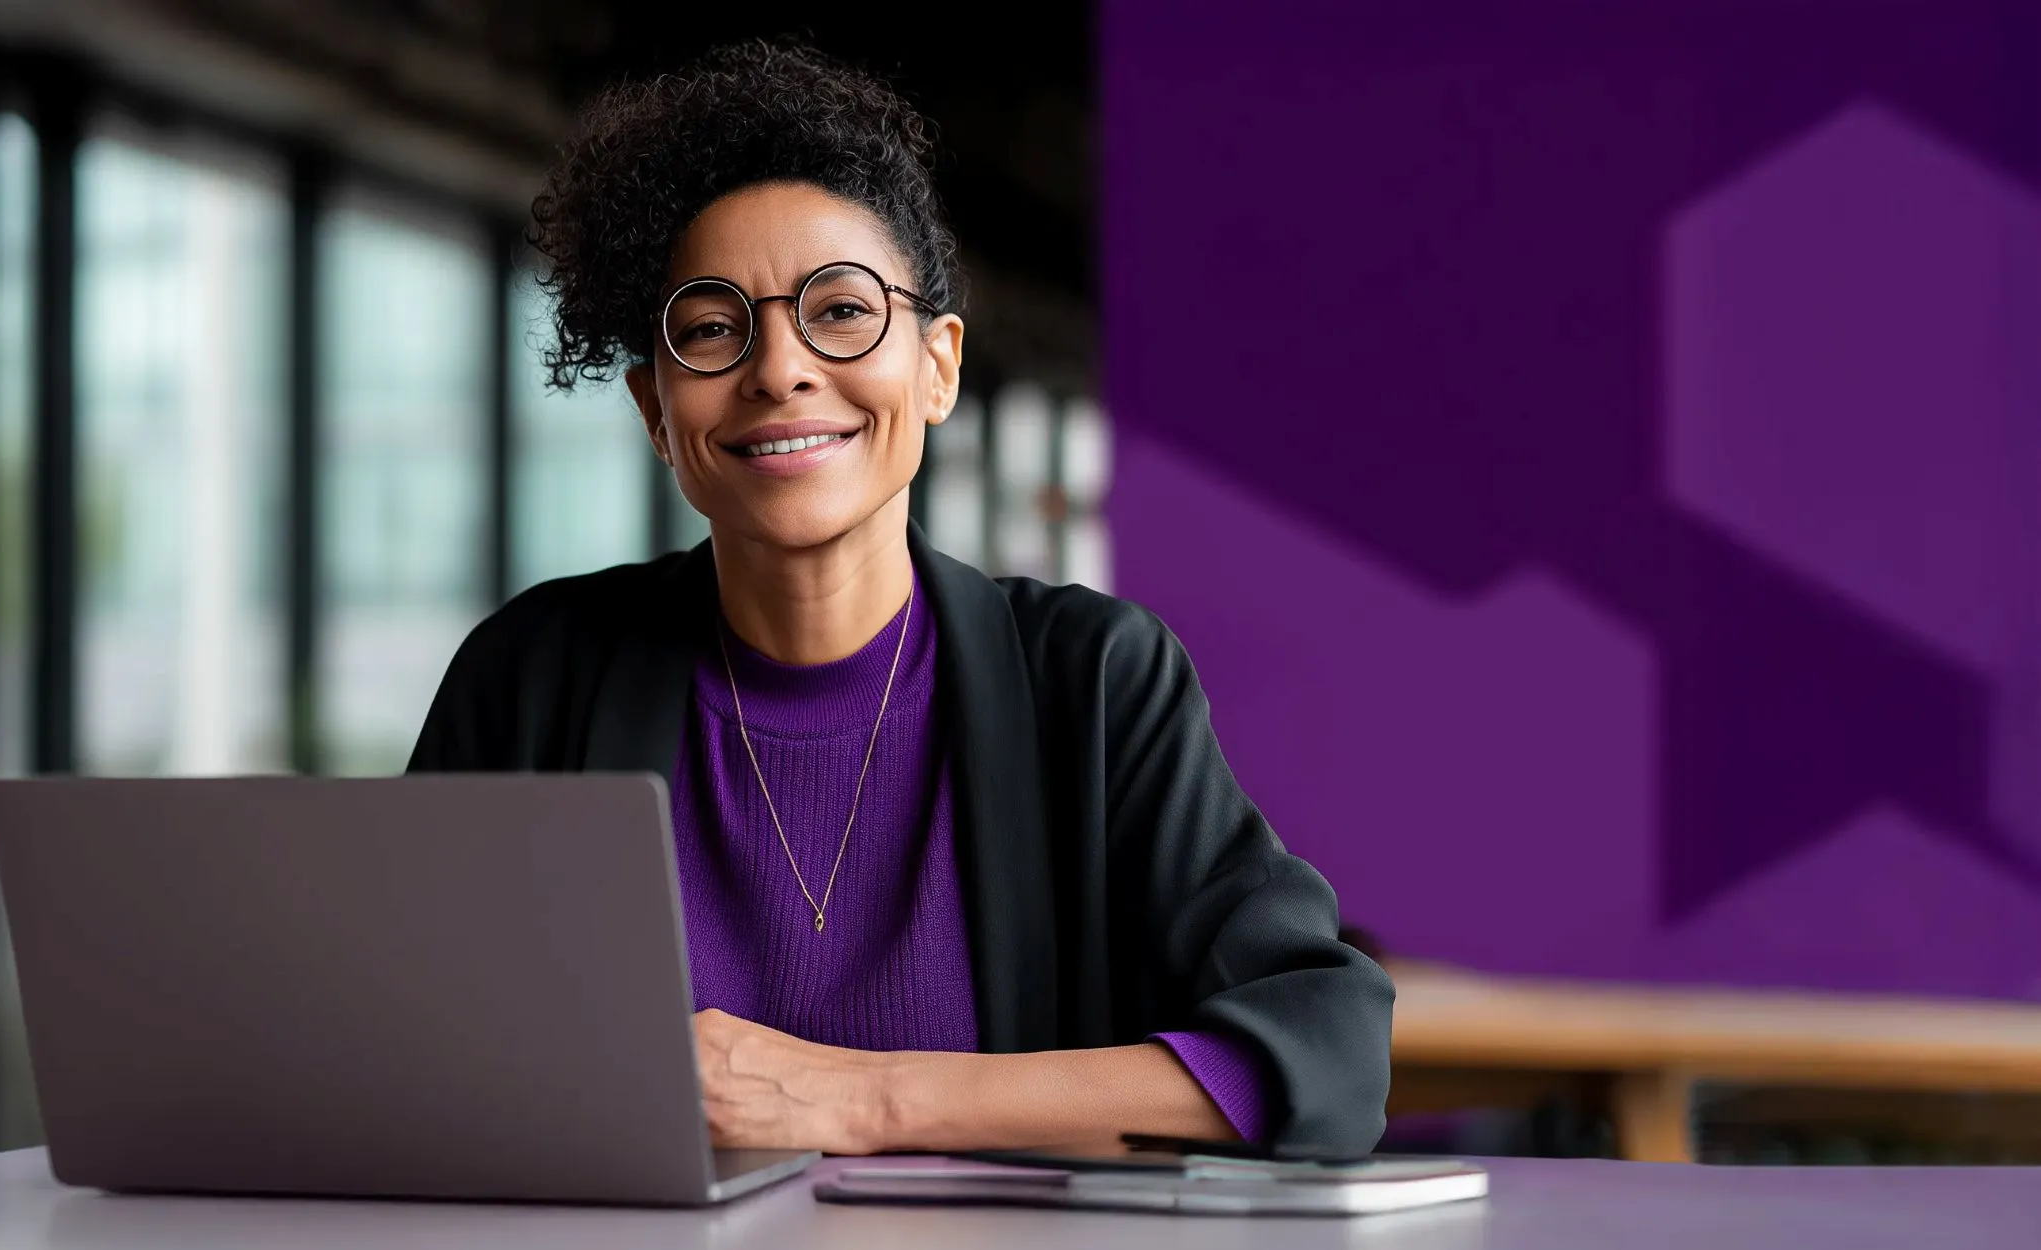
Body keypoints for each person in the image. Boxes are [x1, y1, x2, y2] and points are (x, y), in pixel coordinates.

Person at [409, 40, 1391, 1160]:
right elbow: (389, 1042)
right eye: (714, 327)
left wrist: (861, 1099)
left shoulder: (1093, 679)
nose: (778, 367)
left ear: (937, 368)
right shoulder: (534, 675)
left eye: (840, 311)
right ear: (655, 407)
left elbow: (1327, 1050)